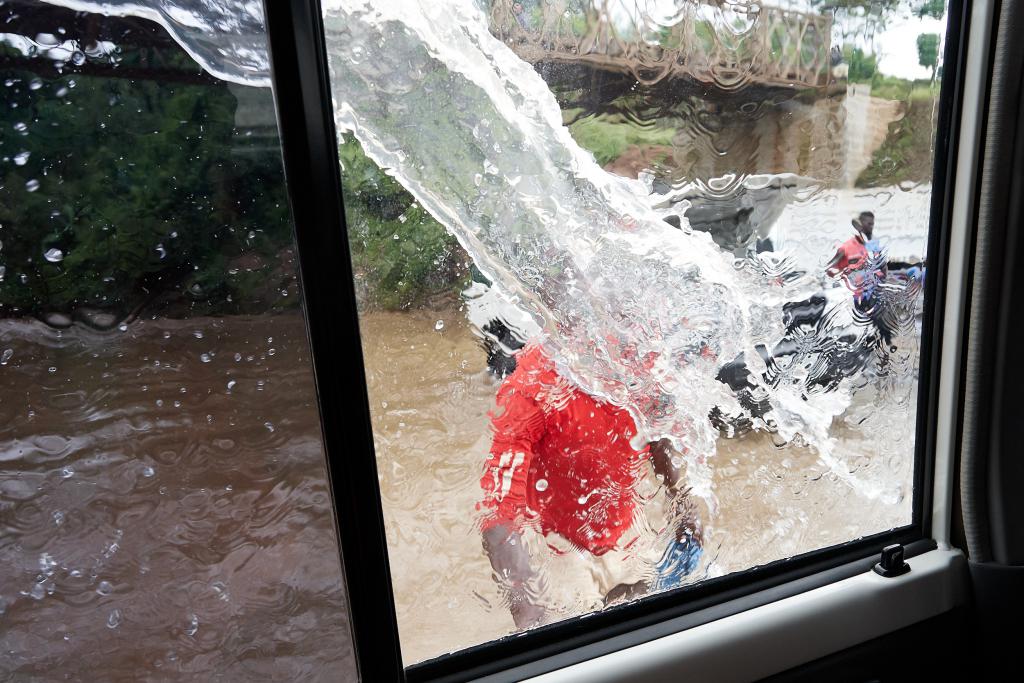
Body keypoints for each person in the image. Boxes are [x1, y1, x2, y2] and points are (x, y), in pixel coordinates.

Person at [478, 344, 703, 629]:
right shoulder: (529, 387)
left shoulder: (638, 350)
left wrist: (685, 507)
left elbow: (660, 429)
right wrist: (531, 617)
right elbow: (498, 512)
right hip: (557, 547)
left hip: (630, 532)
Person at [825, 211, 894, 348]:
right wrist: (847, 278)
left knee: (879, 323)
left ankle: (883, 344)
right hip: (854, 296)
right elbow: (830, 270)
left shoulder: (873, 244)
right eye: (868, 224)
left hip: (873, 292)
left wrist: (882, 278)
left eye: (872, 224)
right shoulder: (846, 247)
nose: (871, 227)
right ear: (860, 224)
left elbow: (882, 267)